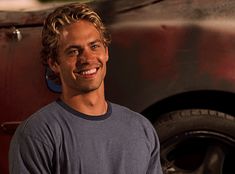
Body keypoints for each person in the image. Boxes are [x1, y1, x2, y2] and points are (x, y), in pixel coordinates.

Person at [9, 2, 163, 174]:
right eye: (73, 51)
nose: (87, 58)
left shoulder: (141, 129)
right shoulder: (37, 135)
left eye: (94, 46)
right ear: (54, 63)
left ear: (106, 52)